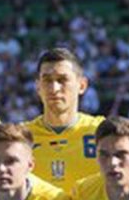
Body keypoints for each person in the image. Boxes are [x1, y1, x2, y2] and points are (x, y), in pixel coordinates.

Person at [25, 48, 104, 190]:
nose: (54, 88)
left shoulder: (101, 132)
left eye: (62, 80)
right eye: (47, 80)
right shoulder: (21, 137)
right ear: (38, 87)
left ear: (82, 85)